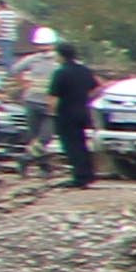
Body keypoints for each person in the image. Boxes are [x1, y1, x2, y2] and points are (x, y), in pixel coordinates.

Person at [42, 40, 98, 193]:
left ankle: (79, 177)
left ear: (61, 55)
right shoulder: (84, 70)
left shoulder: (60, 72)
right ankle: (89, 173)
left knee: (71, 145)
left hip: (66, 113)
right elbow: (96, 87)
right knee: (82, 143)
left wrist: (51, 112)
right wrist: (85, 99)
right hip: (83, 111)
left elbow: (53, 97)